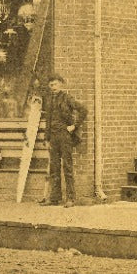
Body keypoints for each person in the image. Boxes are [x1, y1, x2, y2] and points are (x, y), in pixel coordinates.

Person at [41, 72, 87, 207]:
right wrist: (46, 138)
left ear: (60, 84)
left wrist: (74, 126)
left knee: (67, 167)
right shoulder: (49, 100)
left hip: (65, 136)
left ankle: (71, 199)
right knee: (54, 168)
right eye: (51, 85)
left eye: (55, 84)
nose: (53, 87)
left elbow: (83, 110)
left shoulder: (67, 98)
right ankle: (55, 198)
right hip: (53, 138)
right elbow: (48, 120)